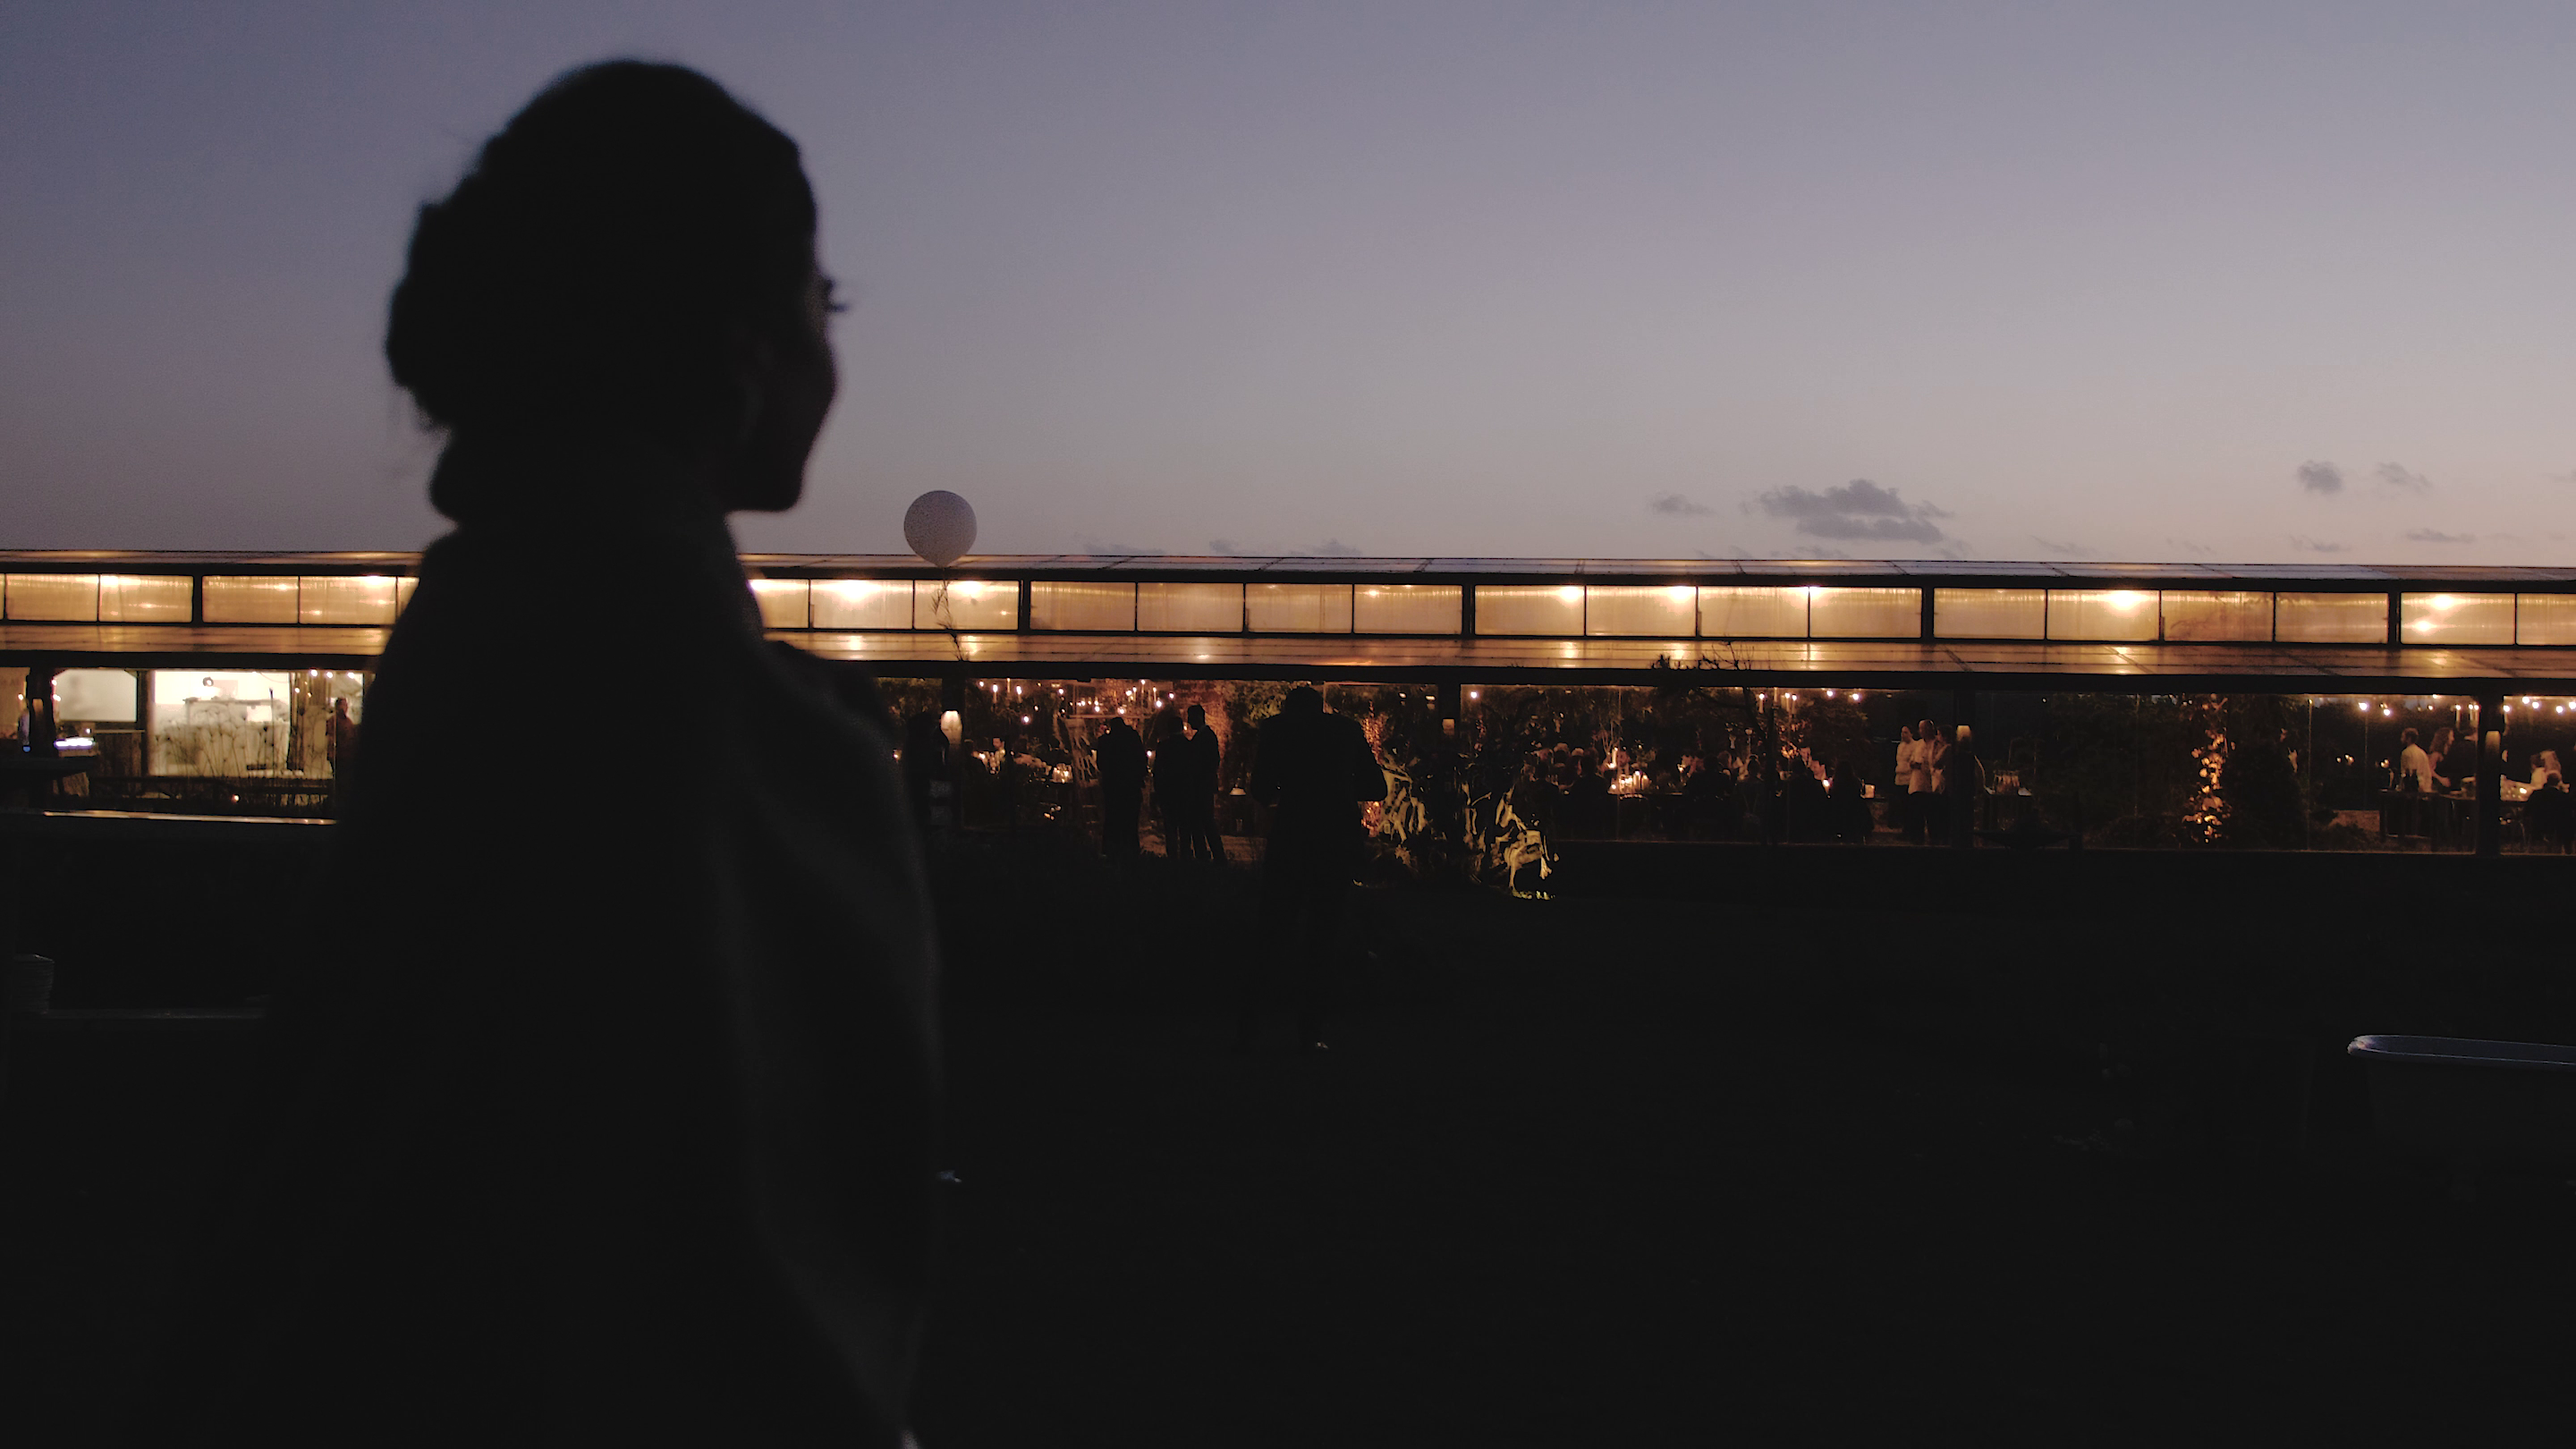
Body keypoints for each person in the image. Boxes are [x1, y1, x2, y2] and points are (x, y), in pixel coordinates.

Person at [136, 64, 938, 1446]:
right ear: (742, 349)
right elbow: (755, 1290)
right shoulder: (691, 704)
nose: (836, 346)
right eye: (828, 302)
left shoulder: (478, 631)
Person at [1238, 686, 1385, 1051]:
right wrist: (1338, 786)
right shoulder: (1346, 731)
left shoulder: (1277, 731)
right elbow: (1375, 786)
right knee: (1323, 931)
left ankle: (1253, 1021)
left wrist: (1288, 786)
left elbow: (1260, 788)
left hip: (1292, 836)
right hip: (1334, 839)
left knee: (1273, 928)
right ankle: (1310, 1029)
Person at [1095, 713, 1147, 860]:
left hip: (1112, 788)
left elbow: (1101, 765)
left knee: (1112, 820)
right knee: (1130, 822)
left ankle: (1111, 851)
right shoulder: (1133, 739)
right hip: (1131, 787)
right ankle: (1131, 852)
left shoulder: (1105, 742)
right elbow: (1142, 760)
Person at [1178, 703, 1224, 861]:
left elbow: (1209, 762)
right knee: (1201, 822)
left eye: (1191, 718)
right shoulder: (1205, 736)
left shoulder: (1205, 737)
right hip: (1202, 786)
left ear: (1198, 717)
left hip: (1201, 787)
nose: (1189, 722)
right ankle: (1207, 855)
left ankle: (1214, 856)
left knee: (1204, 822)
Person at [1944, 724, 1982, 847]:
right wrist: (1979, 789)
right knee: (1966, 817)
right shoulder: (1970, 757)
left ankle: (1957, 839)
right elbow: (1980, 774)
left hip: (1957, 790)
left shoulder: (1954, 756)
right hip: (1967, 791)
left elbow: (1948, 772)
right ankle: (1965, 839)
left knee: (1957, 817)